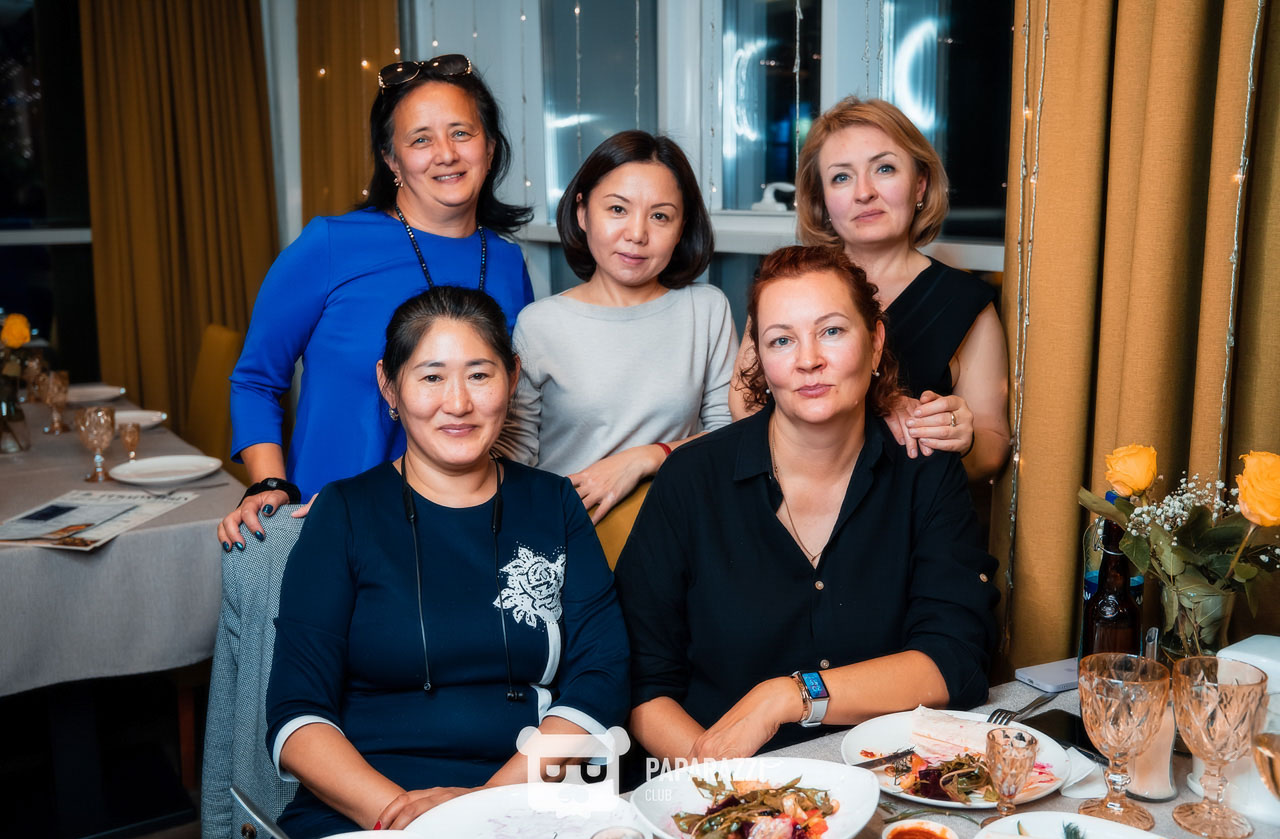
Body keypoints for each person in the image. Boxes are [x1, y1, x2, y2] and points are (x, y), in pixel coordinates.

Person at [264, 287, 629, 839]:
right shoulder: (344, 511)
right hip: (369, 807)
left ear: (512, 377)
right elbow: (296, 711)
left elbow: (601, 678)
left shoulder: (554, 504)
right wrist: (400, 816)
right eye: (431, 377)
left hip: (525, 793)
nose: (457, 403)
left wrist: (484, 806)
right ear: (389, 384)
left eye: (479, 375)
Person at [615, 246, 997, 761]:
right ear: (759, 358)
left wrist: (789, 696)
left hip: (881, 776)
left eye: (832, 331)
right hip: (715, 781)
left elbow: (954, 658)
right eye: (782, 340)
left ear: (876, 342)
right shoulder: (691, 478)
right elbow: (643, 681)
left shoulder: (923, 470)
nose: (808, 359)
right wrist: (720, 785)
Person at [220, 55, 534, 550]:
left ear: (490, 148)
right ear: (391, 160)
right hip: (333, 525)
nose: (446, 154)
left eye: (461, 133)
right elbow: (256, 379)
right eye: (420, 139)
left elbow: (512, 406)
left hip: (464, 531)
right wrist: (269, 483)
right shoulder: (330, 244)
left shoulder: (508, 263)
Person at [730, 97, 1010, 481]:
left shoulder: (966, 303)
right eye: (841, 177)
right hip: (786, 497)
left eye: (884, 168)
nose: (864, 192)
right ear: (822, 199)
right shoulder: (786, 283)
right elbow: (744, 404)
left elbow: (992, 448)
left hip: (908, 511)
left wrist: (962, 439)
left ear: (920, 185)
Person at [498, 131, 735, 522]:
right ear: (582, 212)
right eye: (618, 209)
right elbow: (518, 455)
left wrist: (647, 457)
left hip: (676, 528)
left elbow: (730, 435)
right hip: (568, 528)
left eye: (660, 216)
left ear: (681, 228)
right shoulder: (540, 324)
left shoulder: (706, 309)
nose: (637, 234)